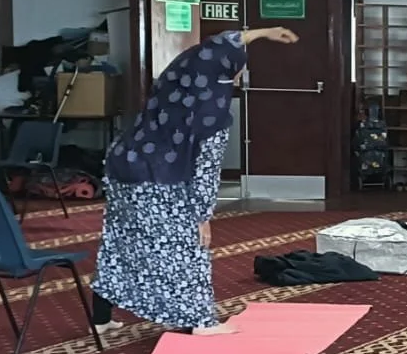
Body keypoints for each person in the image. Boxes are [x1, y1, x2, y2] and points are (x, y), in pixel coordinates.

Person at [90, 26, 299, 335]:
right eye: (240, 66)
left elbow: (216, 46)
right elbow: (205, 171)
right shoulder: (212, 111)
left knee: (120, 240)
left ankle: (100, 318)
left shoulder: (180, 78)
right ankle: (199, 321)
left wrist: (264, 32)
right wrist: (202, 217)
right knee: (189, 245)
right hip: (159, 176)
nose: (241, 73)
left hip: (124, 163)